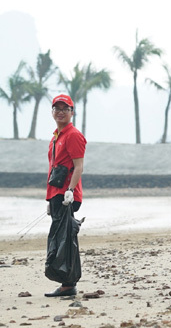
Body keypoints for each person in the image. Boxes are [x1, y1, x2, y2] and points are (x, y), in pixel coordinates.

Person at [45, 94, 87, 297]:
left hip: (67, 194)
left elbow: (78, 166)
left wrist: (70, 191)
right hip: (57, 194)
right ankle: (67, 282)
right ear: (52, 111)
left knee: (64, 238)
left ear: (72, 112)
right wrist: (49, 199)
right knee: (62, 237)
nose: (60, 111)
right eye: (57, 108)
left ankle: (68, 284)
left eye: (65, 108)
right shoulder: (56, 136)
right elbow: (53, 169)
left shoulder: (73, 135)